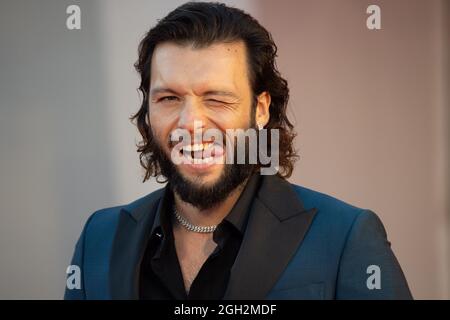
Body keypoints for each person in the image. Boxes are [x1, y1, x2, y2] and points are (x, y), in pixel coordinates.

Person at [64, 1, 412, 300]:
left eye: (216, 98)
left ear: (260, 110)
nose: (191, 123)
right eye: (168, 98)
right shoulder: (98, 236)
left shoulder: (346, 236)